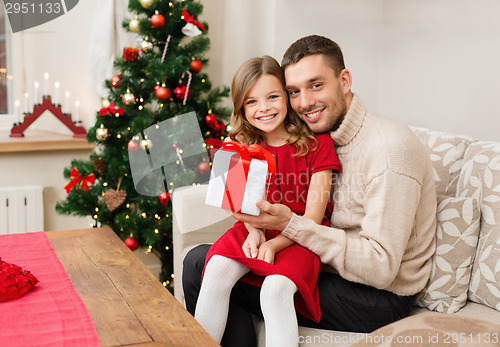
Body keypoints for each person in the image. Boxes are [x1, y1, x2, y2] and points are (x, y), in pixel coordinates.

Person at [183, 35, 437, 346]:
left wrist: (285, 233)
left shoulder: (388, 152)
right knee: (205, 260)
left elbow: (380, 269)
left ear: (344, 80)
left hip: (376, 294)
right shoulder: (318, 131)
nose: (304, 103)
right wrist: (256, 226)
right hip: (321, 258)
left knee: (203, 265)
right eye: (294, 92)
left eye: (316, 85)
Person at [194, 55, 341, 347]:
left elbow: (313, 218)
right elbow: (236, 206)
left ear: (287, 97)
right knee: (215, 270)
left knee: (274, 291)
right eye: (251, 102)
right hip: (255, 230)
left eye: (272, 96)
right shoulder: (236, 144)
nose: (263, 108)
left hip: (300, 237)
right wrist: (255, 232)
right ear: (241, 106)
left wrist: (273, 244)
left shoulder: (317, 143)